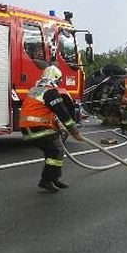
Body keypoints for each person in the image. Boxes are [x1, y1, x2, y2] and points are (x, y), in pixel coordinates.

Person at [20, 65, 83, 193]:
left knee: (56, 150)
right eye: (59, 80)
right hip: (36, 128)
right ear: (55, 79)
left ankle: (54, 179)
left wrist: (57, 127)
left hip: (29, 127)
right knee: (56, 150)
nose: (59, 83)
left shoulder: (35, 90)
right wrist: (75, 133)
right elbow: (63, 114)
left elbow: (43, 112)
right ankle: (46, 180)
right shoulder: (51, 93)